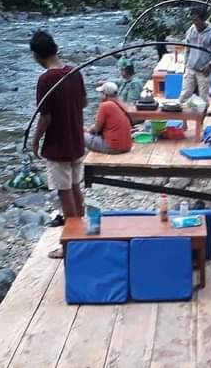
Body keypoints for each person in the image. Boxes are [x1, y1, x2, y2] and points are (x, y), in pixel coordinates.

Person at [31, 30, 86, 229]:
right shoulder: (75, 71)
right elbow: (84, 103)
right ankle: (82, 230)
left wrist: (35, 140)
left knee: (64, 191)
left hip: (58, 145)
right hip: (77, 141)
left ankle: (72, 241)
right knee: (74, 186)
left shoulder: (46, 79)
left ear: (36, 56)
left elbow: (46, 116)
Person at [179, 5, 211, 114]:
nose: (195, 23)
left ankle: (200, 124)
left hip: (204, 71)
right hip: (190, 68)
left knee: (203, 100)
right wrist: (186, 64)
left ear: (204, 19)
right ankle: (183, 123)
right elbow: (188, 46)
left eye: (197, 20)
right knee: (184, 95)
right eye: (193, 20)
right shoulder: (191, 29)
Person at [86, 82, 134, 154]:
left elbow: (96, 129)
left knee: (81, 136)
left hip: (113, 147)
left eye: (101, 93)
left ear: (105, 95)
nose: (100, 96)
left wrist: (87, 131)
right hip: (127, 146)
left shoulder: (105, 105)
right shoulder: (121, 103)